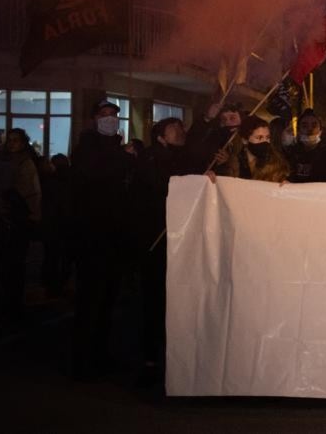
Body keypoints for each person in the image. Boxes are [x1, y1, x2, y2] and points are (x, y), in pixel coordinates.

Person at [132, 116, 203, 385]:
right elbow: (164, 185)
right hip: (155, 239)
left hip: (176, 237)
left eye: (181, 127)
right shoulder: (151, 158)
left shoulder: (183, 156)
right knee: (154, 298)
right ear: (160, 136)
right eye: (174, 129)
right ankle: (151, 354)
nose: (180, 131)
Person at [71, 99, 135, 380]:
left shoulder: (116, 147)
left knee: (108, 298)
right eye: (104, 115)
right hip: (92, 235)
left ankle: (100, 352)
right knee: (91, 299)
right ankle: (83, 358)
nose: (110, 119)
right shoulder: (88, 146)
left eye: (113, 115)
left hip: (114, 234)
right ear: (94, 119)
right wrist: (123, 157)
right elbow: (95, 173)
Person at [0, 127, 42, 324]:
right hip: (4, 219)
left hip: (19, 220)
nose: (12, 143)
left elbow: (24, 191)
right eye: (10, 140)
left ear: (23, 143)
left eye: (16, 140)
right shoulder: (4, 160)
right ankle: (7, 303)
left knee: (14, 265)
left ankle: (14, 305)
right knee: (5, 265)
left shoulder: (26, 163)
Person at [39, 153, 74, 298]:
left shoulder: (49, 182)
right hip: (67, 223)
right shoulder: (73, 180)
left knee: (51, 256)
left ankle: (51, 285)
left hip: (53, 223)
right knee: (66, 256)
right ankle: (62, 283)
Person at [228, 116, 291, 182]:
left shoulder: (275, 162)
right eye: (259, 138)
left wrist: (285, 184)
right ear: (245, 140)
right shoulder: (234, 163)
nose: (265, 141)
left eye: (267, 137)